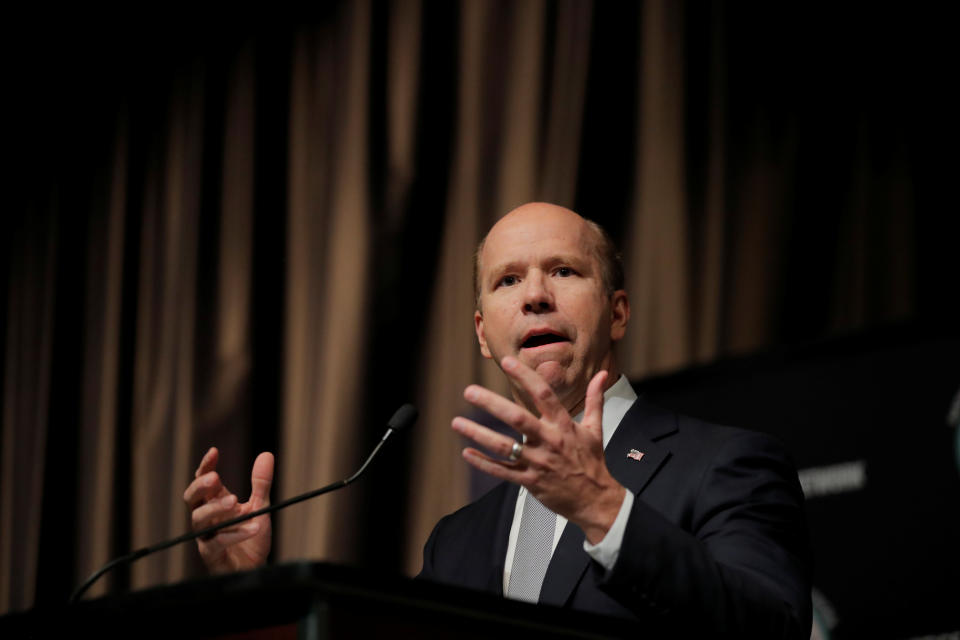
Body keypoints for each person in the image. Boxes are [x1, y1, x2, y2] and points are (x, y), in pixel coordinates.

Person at [184, 203, 812, 637]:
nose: (536, 294)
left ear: (617, 313)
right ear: (484, 334)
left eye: (564, 271)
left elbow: (772, 629)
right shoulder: (455, 542)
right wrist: (255, 594)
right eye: (508, 280)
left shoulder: (725, 464)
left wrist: (604, 510)